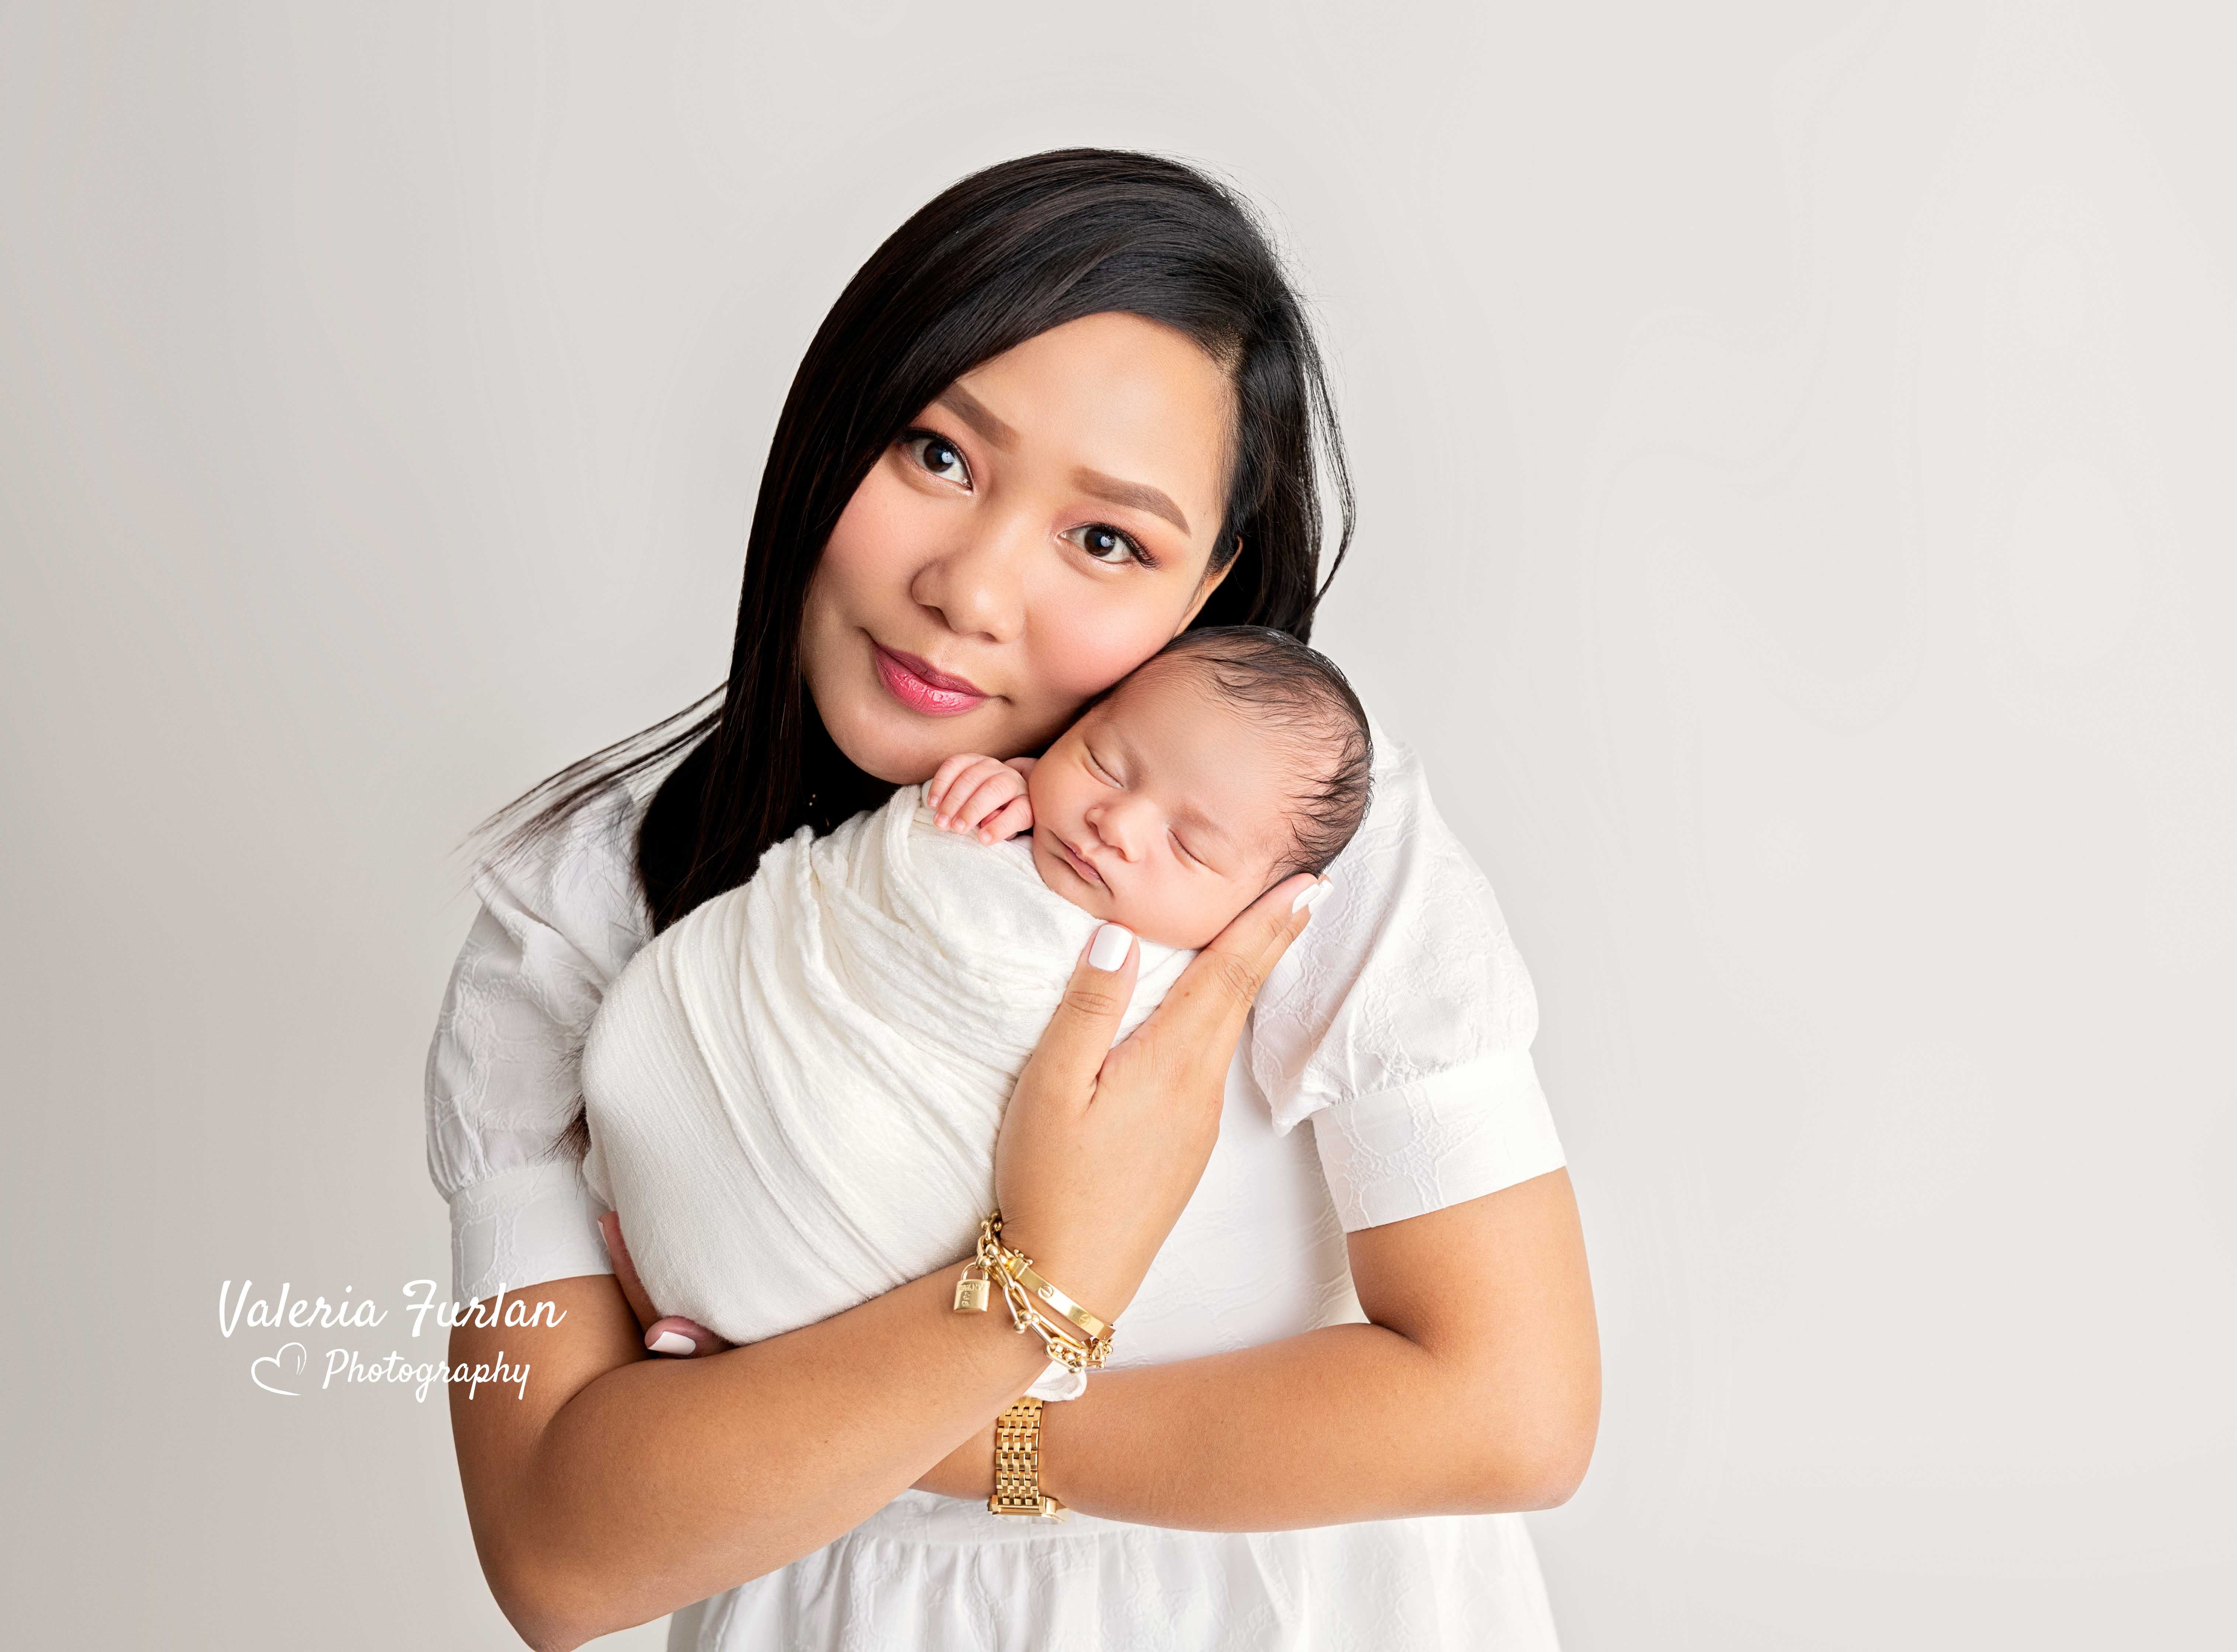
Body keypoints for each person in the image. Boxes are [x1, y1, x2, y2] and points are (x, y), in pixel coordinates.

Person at [424, 148, 1599, 1652]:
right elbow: (557, 1555)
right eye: (937, 455)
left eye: (1106, 540)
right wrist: (1039, 1283)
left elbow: (1512, 1415)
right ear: (832, 427)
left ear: (1206, 586)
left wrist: (829, 1420)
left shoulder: (1282, 852)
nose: (970, 592)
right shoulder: (588, 905)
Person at [580, 627, 1377, 1365]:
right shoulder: (1010, 807)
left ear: (1261, 907)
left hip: (852, 1243)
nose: (1116, 822)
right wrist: (988, 789)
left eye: (1188, 844)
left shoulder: (1183, 993)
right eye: (1105, 764)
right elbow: (876, 869)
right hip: (693, 1043)